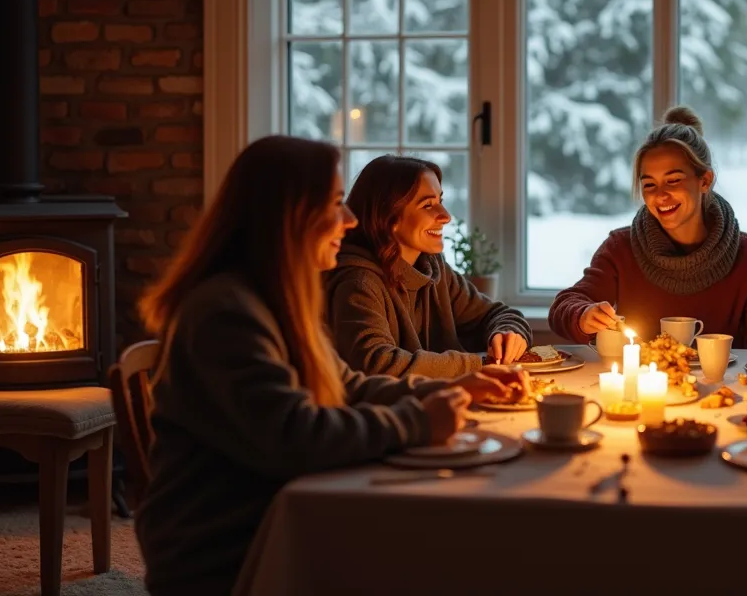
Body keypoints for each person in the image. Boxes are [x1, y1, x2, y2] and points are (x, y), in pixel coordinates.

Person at [134, 136, 528, 596]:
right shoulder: (227, 311)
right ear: (287, 214)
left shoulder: (277, 296)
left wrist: (455, 390)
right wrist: (418, 420)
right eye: (336, 203)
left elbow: (348, 384)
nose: (350, 219)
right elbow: (295, 435)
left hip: (274, 509)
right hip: (227, 545)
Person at [548, 106, 747, 349]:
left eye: (673, 181)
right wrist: (584, 315)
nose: (660, 195)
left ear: (704, 180)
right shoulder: (621, 248)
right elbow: (564, 307)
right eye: (650, 185)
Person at [326, 155, 532, 378]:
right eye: (428, 205)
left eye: (440, 202)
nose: (445, 216)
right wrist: (479, 363)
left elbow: (497, 314)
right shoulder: (358, 282)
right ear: (388, 217)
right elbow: (376, 363)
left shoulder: (433, 268)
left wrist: (509, 333)